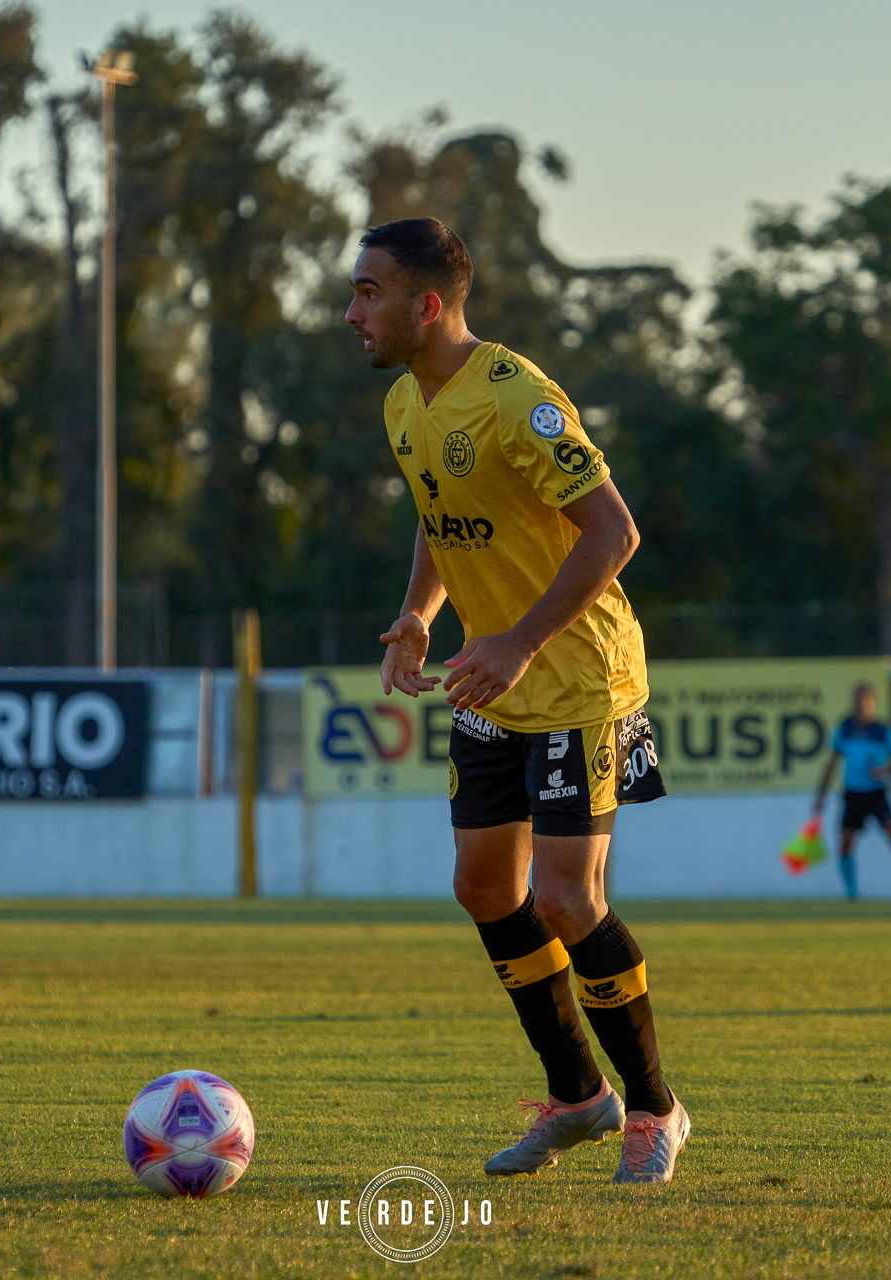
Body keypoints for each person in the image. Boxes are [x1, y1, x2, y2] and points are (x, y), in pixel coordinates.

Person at [347, 218, 685, 1185]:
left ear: (427, 304)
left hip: (576, 677)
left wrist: (518, 640)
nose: (352, 312)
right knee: (485, 888)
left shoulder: (516, 398)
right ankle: (578, 1098)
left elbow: (614, 532)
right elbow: (439, 513)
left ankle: (656, 1111)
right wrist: (419, 615)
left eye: (369, 292)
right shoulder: (406, 402)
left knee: (568, 898)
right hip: (492, 683)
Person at [812, 682, 891, 900]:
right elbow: (832, 762)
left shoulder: (884, 730)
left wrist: (887, 769)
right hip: (853, 793)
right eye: (856, 699)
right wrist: (821, 794)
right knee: (845, 843)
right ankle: (851, 892)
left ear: (873, 702)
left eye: (864, 700)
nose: (860, 704)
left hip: (876, 792)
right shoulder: (844, 728)